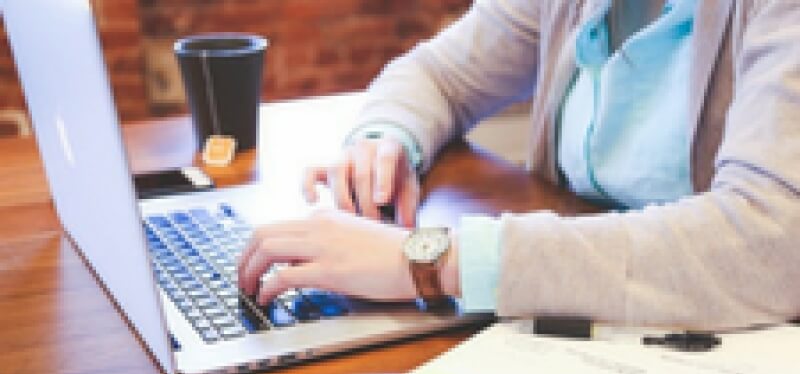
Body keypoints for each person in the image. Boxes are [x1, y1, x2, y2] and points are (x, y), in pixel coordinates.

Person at [238, 0, 800, 329]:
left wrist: (431, 261)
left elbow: (769, 243)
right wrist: (385, 140)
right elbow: (439, 74)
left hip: (726, 353)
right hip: (581, 328)